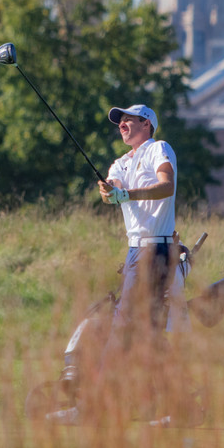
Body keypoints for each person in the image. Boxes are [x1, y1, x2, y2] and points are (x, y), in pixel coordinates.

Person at [47, 104, 179, 425]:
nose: (121, 124)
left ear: (146, 124)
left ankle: (92, 407)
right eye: (118, 121)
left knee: (122, 327)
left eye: (127, 120)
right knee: (147, 334)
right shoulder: (121, 162)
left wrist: (127, 194)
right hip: (137, 252)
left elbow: (167, 185)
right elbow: (109, 191)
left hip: (154, 249)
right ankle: (171, 407)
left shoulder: (158, 149)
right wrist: (109, 190)